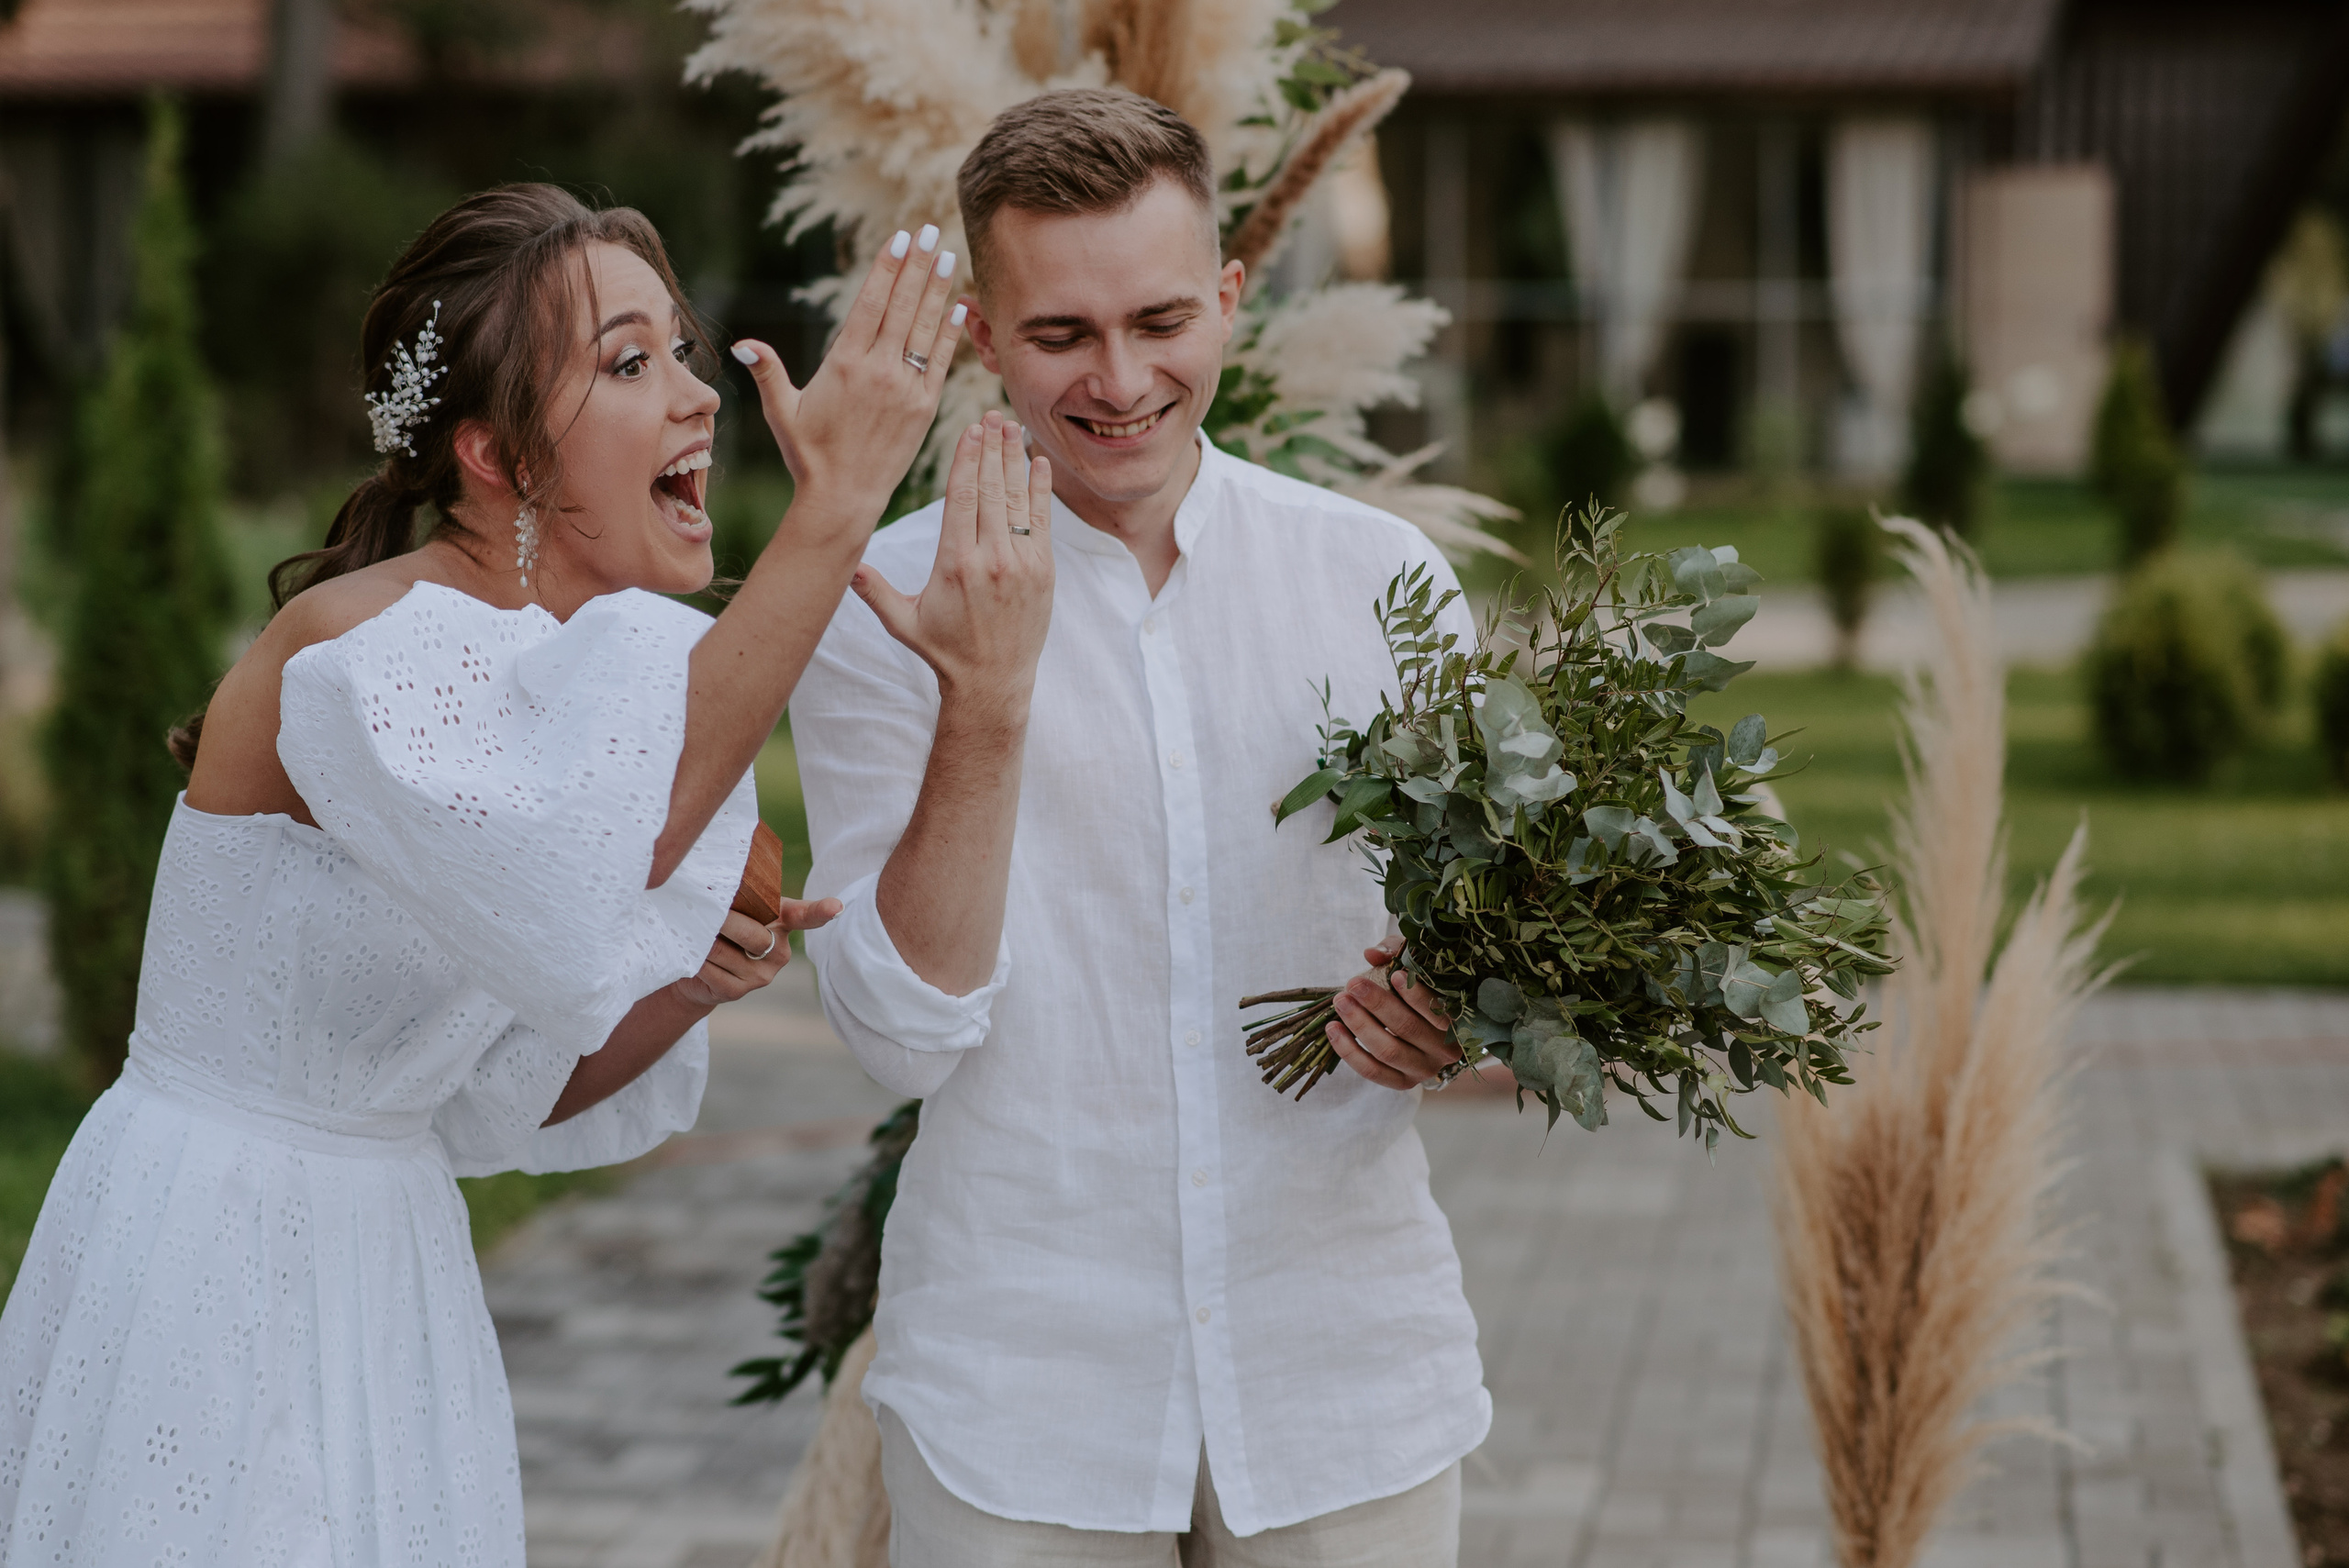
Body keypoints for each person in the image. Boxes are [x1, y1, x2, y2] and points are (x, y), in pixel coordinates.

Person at [0, 183, 1042, 1567]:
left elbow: (495, 1086)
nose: (694, 398)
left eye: (679, 349)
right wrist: (838, 504)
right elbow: (595, 866)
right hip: (219, 1250)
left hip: (388, 1260)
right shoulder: (359, 651)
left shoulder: (567, 676)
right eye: (627, 363)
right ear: (494, 452)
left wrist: (686, 989)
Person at [792, 89, 1489, 1567]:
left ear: (1232, 297)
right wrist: (984, 700)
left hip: (1344, 1368)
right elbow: (901, 1034)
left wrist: (1460, 1008)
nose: (1121, 381)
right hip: (1019, 1392)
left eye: (1162, 319)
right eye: (1060, 337)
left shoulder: (1384, 582)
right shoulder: (878, 610)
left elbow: (1482, 941)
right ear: (982, 334)